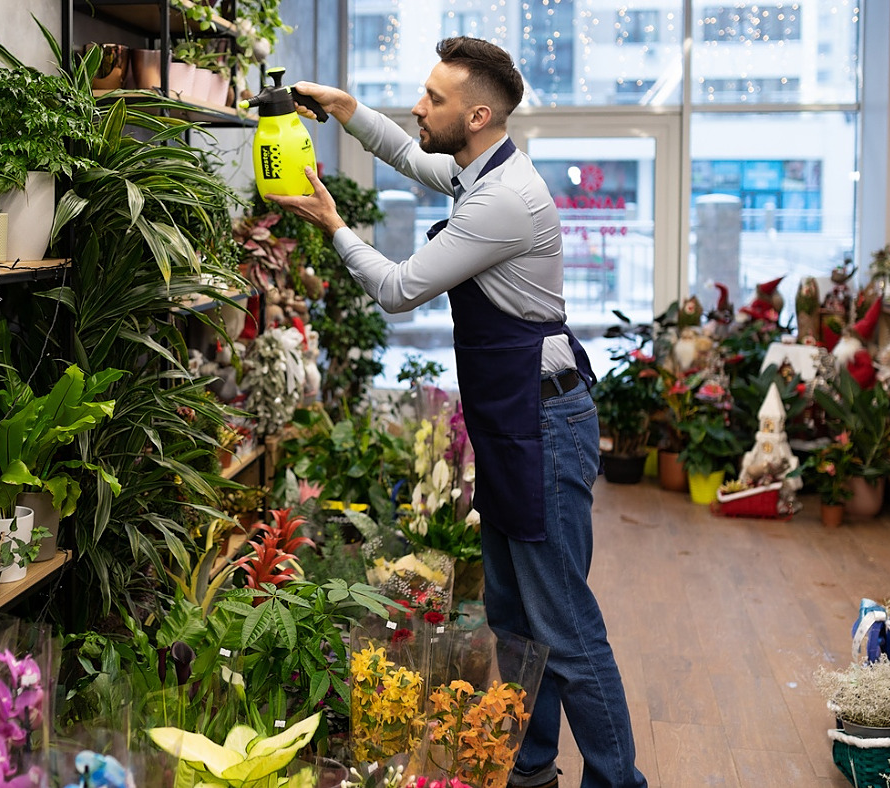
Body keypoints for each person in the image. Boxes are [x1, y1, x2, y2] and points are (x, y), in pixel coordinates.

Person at [267, 37, 647, 788]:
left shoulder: (505, 199)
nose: (419, 106)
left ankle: (619, 782)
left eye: (433, 99)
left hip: (543, 431)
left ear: (477, 114)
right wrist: (348, 112)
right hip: (515, 426)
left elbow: (401, 287)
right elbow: (415, 158)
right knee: (511, 616)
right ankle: (533, 769)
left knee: (567, 630)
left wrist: (336, 227)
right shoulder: (480, 173)